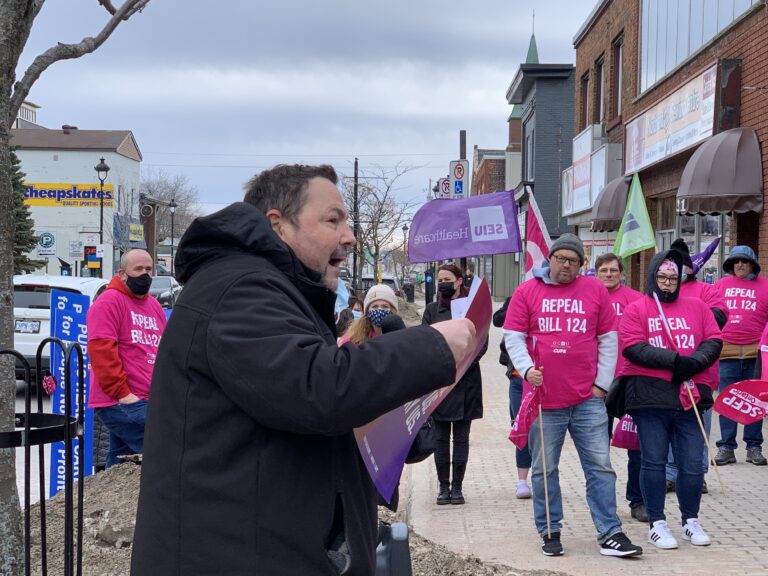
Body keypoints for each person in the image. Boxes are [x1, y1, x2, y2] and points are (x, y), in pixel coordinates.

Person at [130, 164, 476, 576]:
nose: (348, 235)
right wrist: (433, 344)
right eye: (333, 220)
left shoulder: (277, 290)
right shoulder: (238, 289)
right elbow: (319, 388)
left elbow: (305, 409)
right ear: (278, 225)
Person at [503, 233, 642, 558]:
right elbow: (513, 336)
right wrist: (525, 370)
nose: (566, 264)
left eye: (573, 260)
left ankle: (610, 533)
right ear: (549, 259)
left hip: (588, 401)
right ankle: (550, 530)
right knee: (544, 469)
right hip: (543, 401)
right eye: (560, 258)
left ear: (581, 265)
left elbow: (609, 338)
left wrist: (601, 385)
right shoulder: (527, 291)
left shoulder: (594, 290)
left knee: (600, 467)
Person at [617, 250, 722, 549]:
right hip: (651, 398)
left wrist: (694, 361)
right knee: (654, 462)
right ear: (652, 277)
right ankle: (657, 523)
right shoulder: (637, 308)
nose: (667, 283)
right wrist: (675, 360)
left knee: (691, 464)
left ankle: (690, 520)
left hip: (690, 396)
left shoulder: (698, 306)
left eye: (673, 278)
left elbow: (714, 340)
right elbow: (633, 346)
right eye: (662, 277)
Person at [86, 248, 167, 468]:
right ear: (122, 273)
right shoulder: (108, 302)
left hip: (146, 397)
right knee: (164, 447)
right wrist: (124, 395)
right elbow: (101, 352)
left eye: (149, 269)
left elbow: (162, 351)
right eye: (138, 269)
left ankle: (105, 500)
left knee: (123, 464)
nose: (145, 275)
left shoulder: (154, 306)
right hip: (121, 400)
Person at [665, 238, 729, 493]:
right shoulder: (660, 292)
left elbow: (719, 319)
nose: (675, 271)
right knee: (669, 428)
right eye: (671, 265)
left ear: (690, 268)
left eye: (681, 265)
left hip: (700, 373)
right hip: (666, 373)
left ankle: (696, 474)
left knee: (698, 427)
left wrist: (688, 316)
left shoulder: (707, 291)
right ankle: (670, 473)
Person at [422, 264, 487, 506]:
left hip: (467, 382)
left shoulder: (471, 309)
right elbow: (425, 341)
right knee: (440, 438)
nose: (443, 284)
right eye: (440, 280)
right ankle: (443, 487)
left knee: (461, 438)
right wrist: (446, 367)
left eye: (447, 279)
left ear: (459, 281)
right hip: (441, 381)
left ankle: (457, 488)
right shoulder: (431, 310)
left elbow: (481, 343)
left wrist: (463, 366)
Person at [594, 253, 646, 522]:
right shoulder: (588, 297)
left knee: (636, 446)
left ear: (622, 273)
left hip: (630, 382)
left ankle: (638, 501)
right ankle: (604, 504)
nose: (609, 274)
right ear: (596, 273)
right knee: (598, 451)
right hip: (598, 385)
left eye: (614, 270)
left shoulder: (637, 300)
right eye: (604, 270)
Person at [714, 245, 768, 466]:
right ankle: (726, 447)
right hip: (726, 352)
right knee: (728, 399)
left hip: (756, 353)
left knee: (755, 401)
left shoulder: (765, 286)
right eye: (735, 262)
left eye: (744, 261)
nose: (739, 265)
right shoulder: (719, 286)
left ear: (752, 264)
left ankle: (754, 446)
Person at [493, 296, 531, 499]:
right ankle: (522, 481)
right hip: (518, 379)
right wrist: (517, 306)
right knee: (521, 426)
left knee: (544, 431)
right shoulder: (518, 298)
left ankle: (545, 478)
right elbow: (497, 320)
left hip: (547, 380)